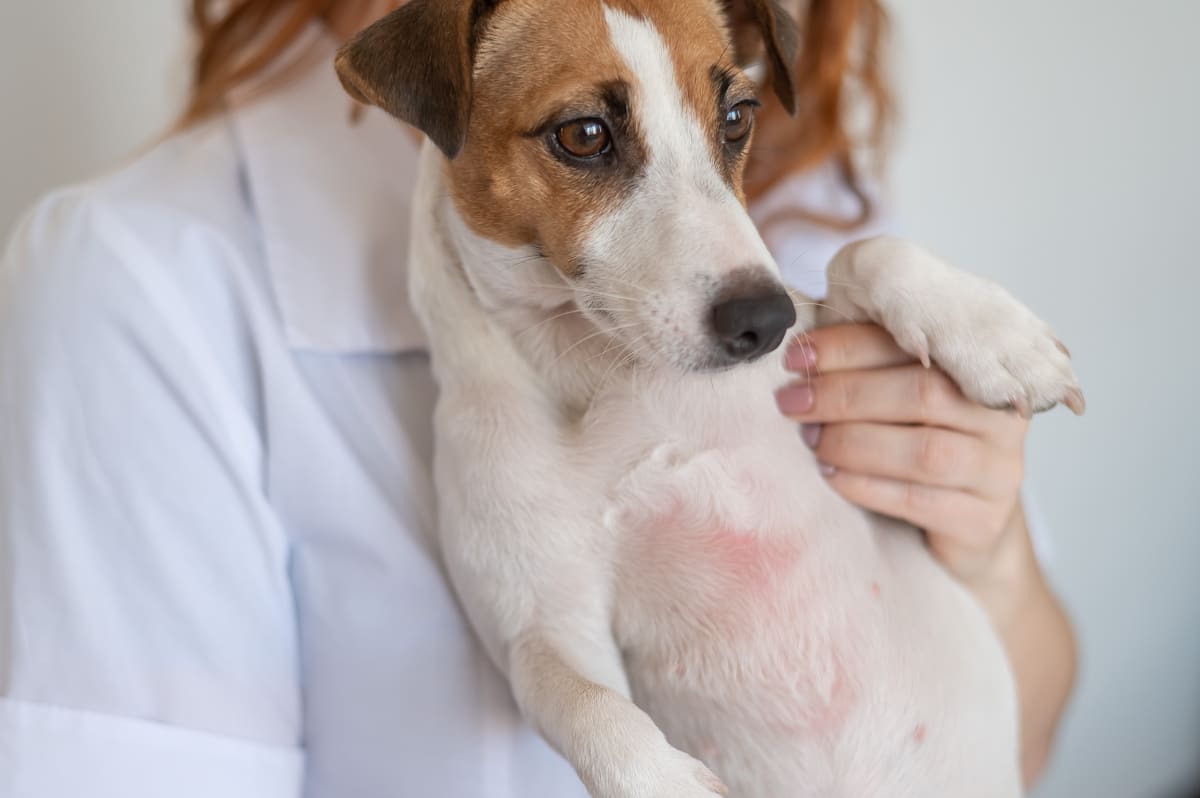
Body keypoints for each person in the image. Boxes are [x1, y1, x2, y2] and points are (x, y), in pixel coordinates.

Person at [0, 0, 1076, 795]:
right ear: (437, 111)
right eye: (585, 140)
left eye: (730, 121)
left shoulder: (795, 207)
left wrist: (993, 559)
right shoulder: (132, 280)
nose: (727, 247)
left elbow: (1022, 736)